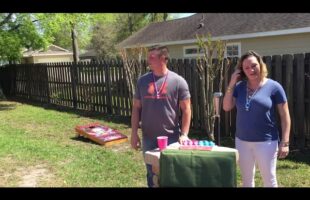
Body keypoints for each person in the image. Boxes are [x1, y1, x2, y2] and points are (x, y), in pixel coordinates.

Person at [223, 50, 291, 187]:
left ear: (260, 64)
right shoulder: (239, 87)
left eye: (254, 65)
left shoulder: (274, 87)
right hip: (242, 141)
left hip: (266, 142)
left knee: (269, 181)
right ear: (242, 70)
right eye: (246, 68)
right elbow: (226, 106)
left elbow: (285, 116)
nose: (251, 70)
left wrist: (285, 142)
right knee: (247, 181)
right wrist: (231, 83)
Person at [131, 45, 191, 187]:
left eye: (152, 57)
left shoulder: (178, 81)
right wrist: (134, 133)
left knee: (171, 175)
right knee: (152, 175)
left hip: (171, 138)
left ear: (163, 59)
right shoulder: (142, 81)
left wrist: (184, 134)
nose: (148, 60)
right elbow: (136, 108)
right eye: (148, 57)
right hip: (149, 138)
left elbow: (187, 109)